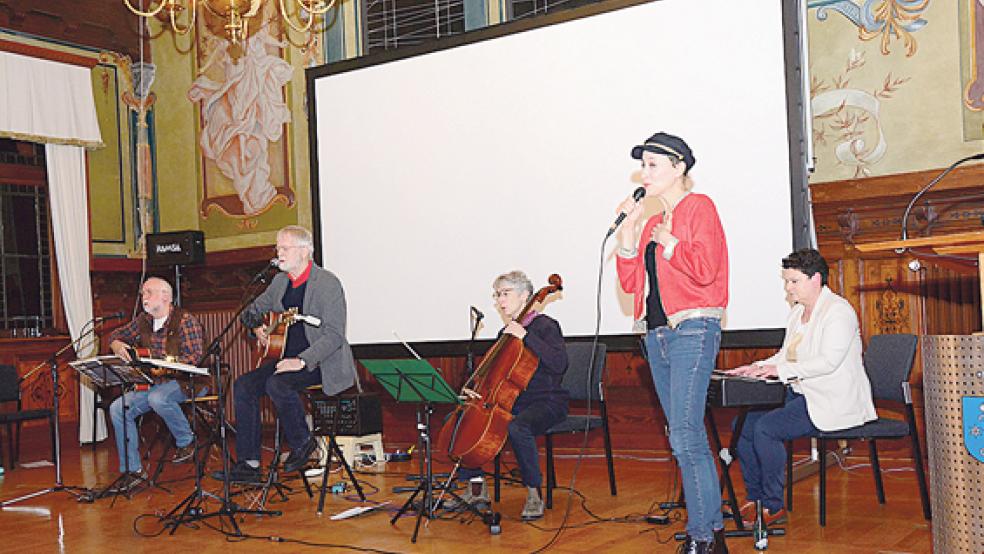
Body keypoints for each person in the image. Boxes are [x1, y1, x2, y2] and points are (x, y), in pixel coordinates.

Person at [614, 132, 729, 554]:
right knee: (684, 434)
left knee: (684, 435)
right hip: (658, 335)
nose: (644, 174)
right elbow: (632, 287)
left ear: (679, 167)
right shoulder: (648, 223)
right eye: (642, 165)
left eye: (652, 165)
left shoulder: (700, 207)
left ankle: (702, 538)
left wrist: (671, 243)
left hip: (694, 329)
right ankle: (711, 535)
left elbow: (706, 269)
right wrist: (629, 237)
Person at [725, 248, 876, 526]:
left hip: (832, 400)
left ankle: (773, 505)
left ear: (815, 279)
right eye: (786, 281)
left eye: (793, 281)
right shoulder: (797, 315)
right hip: (802, 395)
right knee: (742, 426)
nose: (788, 288)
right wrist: (757, 367)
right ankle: (756, 498)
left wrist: (778, 370)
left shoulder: (839, 312)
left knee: (766, 428)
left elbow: (828, 362)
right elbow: (786, 356)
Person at [214, 225, 356, 482]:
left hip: (320, 362)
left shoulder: (327, 284)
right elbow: (250, 311)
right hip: (286, 361)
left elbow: (335, 335)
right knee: (244, 385)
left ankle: (303, 443)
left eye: (284, 248)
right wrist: (256, 327)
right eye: (277, 248)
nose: (278, 253)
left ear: (304, 251)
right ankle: (249, 463)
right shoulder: (280, 283)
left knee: (277, 383)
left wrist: (301, 360)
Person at [448, 270, 568, 521]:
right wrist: (476, 390)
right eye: (497, 295)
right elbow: (494, 376)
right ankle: (477, 488)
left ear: (525, 296)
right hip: (510, 401)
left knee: (518, 426)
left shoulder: (545, 326)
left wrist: (527, 336)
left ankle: (534, 493)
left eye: (506, 293)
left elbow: (559, 364)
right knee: (464, 420)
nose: (500, 300)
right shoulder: (505, 333)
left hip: (546, 401)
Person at [108, 277, 205, 491]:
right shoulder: (143, 320)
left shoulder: (185, 320)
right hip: (156, 383)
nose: (144, 297)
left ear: (166, 297)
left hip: (187, 381)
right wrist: (116, 344)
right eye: (143, 293)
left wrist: (162, 362)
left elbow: (195, 358)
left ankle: (186, 441)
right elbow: (116, 334)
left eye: (149, 292)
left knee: (158, 397)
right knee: (118, 407)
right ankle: (133, 471)